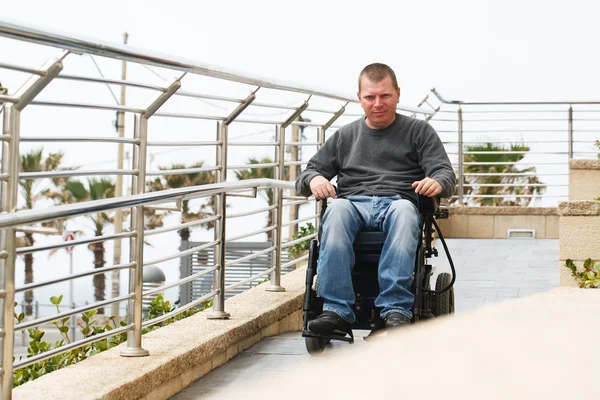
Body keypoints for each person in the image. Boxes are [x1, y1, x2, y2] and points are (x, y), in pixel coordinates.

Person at [295, 63, 455, 336]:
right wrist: (315, 180)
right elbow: (307, 174)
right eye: (370, 97)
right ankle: (336, 311)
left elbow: (445, 174)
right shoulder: (345, 136)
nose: (378, 103)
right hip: (353, 204)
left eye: (385, 96)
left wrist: (436, 182)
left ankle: (395, 310)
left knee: (405, 212)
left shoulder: (419, 132)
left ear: (398, 94)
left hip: (398, 202)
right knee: (336, 211)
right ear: (359, 98)